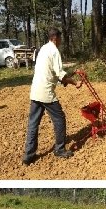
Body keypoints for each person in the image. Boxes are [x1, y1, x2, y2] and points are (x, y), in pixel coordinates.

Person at [22, 27, 81, 165]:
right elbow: (60, 74)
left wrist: (70, 75)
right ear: (55, 38)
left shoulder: (43, 48)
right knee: (60, 119)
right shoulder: (54, 51)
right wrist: (75, 83)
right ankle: (59, 149)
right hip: (46, 92)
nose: (60, 41)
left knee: (33, 124)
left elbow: (53, 72)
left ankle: (28, 155)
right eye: (60, 38)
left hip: (35, 90)